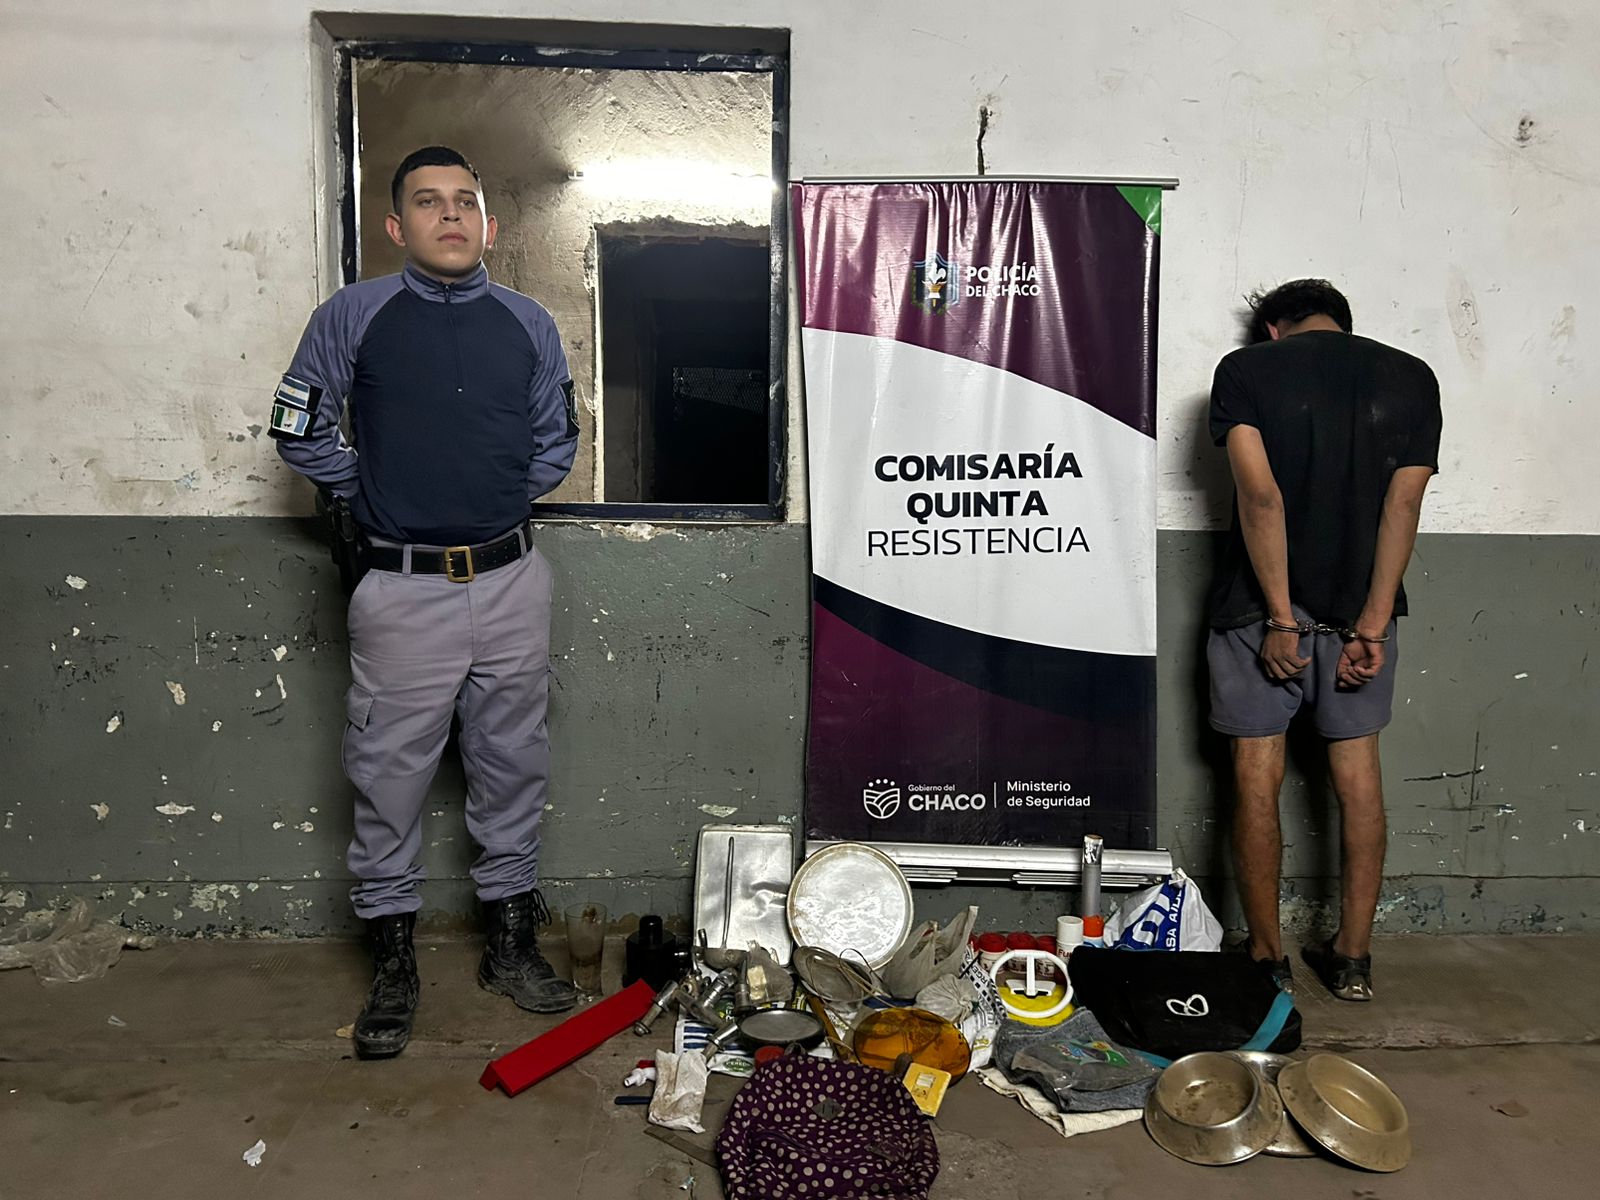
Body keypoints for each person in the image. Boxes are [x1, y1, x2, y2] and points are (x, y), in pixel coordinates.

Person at [269, 146, 582, 1057]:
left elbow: (556, 440)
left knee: (513, 763)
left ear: (491, 224)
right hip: (401, 589)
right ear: (395, 225)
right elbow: (297, 427)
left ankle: (509, 946)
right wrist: (369, 488)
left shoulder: (528, 323)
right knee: (389, 777)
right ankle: (394, 964)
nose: (450, 215)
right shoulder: (354, 314)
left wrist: (493, 497)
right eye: (428, 202)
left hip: (512, 580)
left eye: (465, 202)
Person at [1206, 278, 1441, 1001]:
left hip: (1257, 613)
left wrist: (1281, 617)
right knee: (1358, 777)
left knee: (1256, 774)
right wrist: (1373, 622)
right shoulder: (1411, 376)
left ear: (1274, 328)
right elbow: (1404, 504)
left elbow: (1261, 497)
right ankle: (1353, 959)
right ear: (1342, 322)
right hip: (1360, 614)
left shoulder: (1245, 370)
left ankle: (1267, 958)